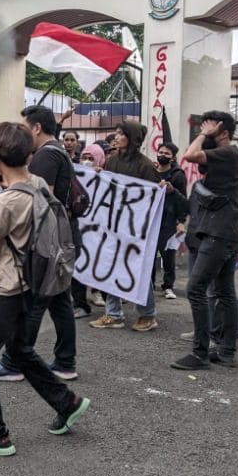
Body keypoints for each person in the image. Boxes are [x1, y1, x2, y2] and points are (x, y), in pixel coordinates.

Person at [0, 121, 89, 457]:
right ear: (28, 154)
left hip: (5, 288)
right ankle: (66, 401)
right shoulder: (39, 183)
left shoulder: (6, 202)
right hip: (33, 284)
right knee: (19, 350)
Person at [0, 105, 78, 382]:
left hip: (45, 244)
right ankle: (65, 361)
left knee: (32, 305)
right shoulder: (58, 152)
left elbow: (40, 203)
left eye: (24, 127)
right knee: (59, 303)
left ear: (36, 128)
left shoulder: (45, 157)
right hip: (60, 241)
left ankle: (13, 362)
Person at [171, 110, 238, 370]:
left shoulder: (228, 152)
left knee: (196, 288)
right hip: (224, 231)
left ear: (223, 133)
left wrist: (203, 135)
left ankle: (200, 353)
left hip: (220, 233)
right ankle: (226, 351)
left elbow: (188, 156)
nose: (203, 134)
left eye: (210, 129)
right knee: (224, 291)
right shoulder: (225, 157)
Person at [89, 121, 161, 332]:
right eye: (117, 133)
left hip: (136, 228)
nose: (117, 137)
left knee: (137, 268)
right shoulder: (111, 161)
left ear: (132, 138)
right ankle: (113, 314)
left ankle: (148, 315)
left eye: (121, 134)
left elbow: (152, 199)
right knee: (112, 266)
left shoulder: (146, 166)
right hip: (113, 224)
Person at [71, 143, 108, 318]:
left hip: (98, 231)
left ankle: (100, 294)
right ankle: (79, 303)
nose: (86, 161)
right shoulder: (75, 175)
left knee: (97, 263)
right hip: (80, 228)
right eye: (84, 158)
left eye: (91, 159)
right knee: (78, 264)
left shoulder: (107, 178)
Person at [155, 142, 188, 300]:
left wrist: (181, 221)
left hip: (168, 221)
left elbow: (183, 201)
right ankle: (149, 284)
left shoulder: (178, 175)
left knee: (168, 254)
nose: (162, 155)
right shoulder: (152, 172)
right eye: (160, 152)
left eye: (166, 154)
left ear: (173, 158)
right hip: (151, 220)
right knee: (148, 255)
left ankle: (168, 286)